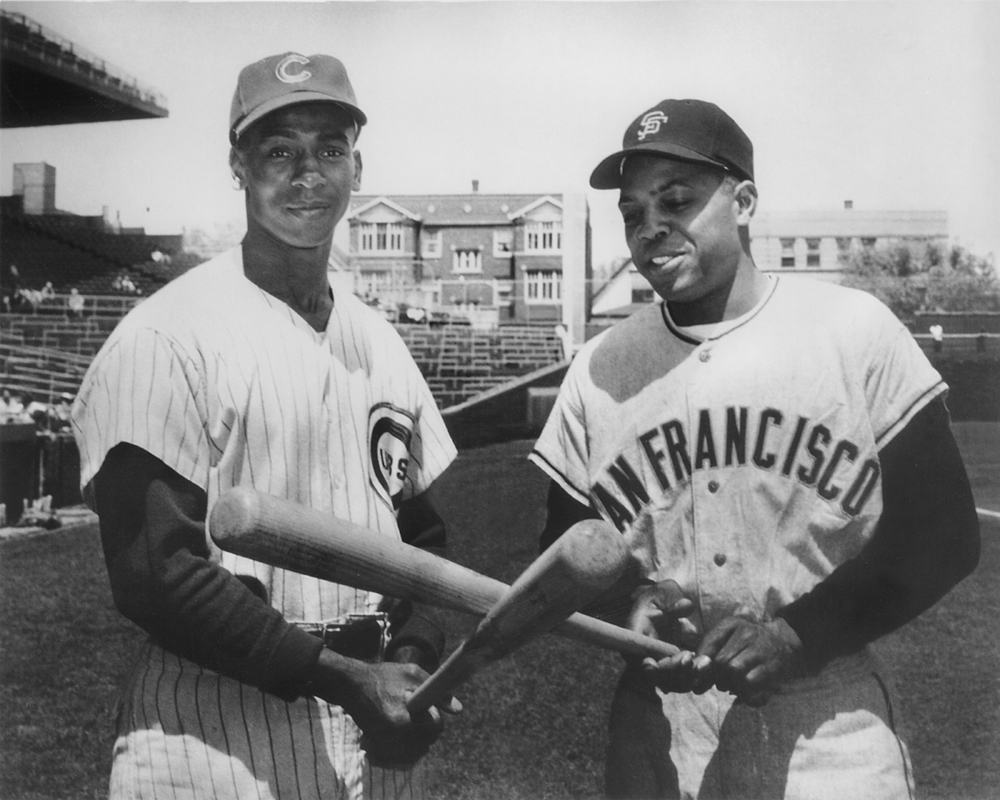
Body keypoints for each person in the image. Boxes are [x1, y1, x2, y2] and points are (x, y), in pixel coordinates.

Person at [530, 99, 980, 799]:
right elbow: (562, 550)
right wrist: (631, 604)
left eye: (676, 201)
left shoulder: (851, 330)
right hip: (660, 725)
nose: (651, 229)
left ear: (743, 201)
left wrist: (799, 636)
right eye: (633, 213)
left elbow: (945, 533)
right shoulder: (599, 367)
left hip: (829, 725)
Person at [72, 52, 460, 800]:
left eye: (329, 149)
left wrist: (411, 661)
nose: (306, 174)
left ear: (357, 167)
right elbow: (157, 572)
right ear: (238, 166)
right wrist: (345, 680)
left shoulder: (380, 342)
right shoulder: (167, 336)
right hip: (210, 735)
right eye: (279, 150)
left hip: (367, 723)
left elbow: (424, 545)